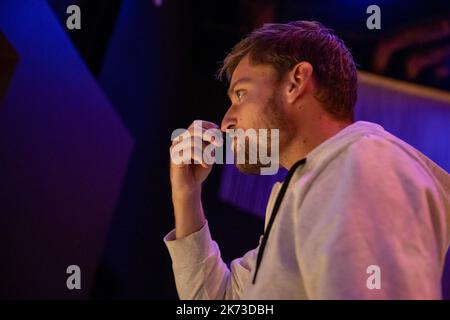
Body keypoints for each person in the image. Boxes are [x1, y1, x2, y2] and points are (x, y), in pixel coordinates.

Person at [165, 21, 450, 299]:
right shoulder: (316, 183)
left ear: (296, 82)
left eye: (241, 94)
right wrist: (186, 194)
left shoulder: (362, 164)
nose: (226, 121)